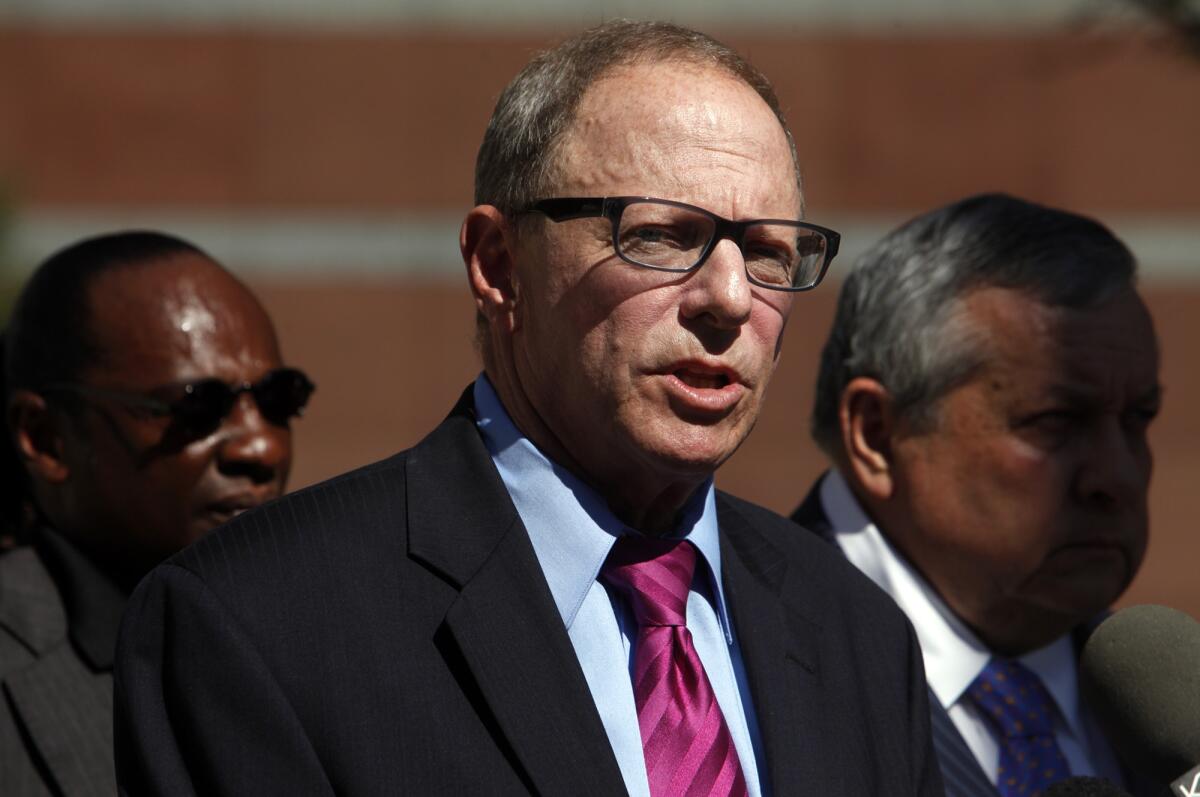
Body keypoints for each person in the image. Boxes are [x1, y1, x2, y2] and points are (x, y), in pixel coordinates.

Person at [115, 21, 943, 797]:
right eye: (659, 235)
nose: (730, 298)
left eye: (768, 250)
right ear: (498, 262)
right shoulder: (257, 621)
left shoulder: (860, 637)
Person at [792, 193, 1162, 797]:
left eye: (1138, 418)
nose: (1115, 476)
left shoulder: (1164, 715)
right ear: (878, 434)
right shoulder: (717, 675)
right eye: (1054, 421)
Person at [0, 231, 313, 796]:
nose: (260, 447)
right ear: (45, 439)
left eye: (278, 400)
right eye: (198, 406)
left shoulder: (334, 642)